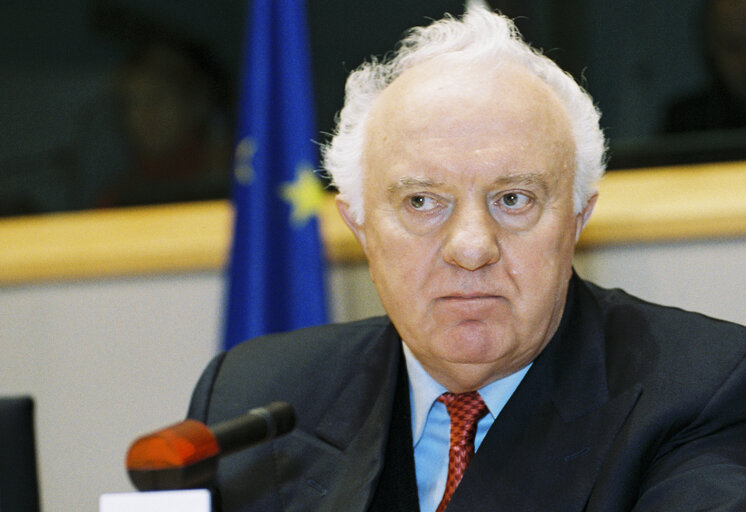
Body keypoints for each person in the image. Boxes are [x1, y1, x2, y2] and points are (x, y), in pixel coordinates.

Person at [188, 5, 746, 511]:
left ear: (577, 218)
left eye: (513, 199)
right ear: (358, 225)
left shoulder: (705, 391)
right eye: (422, 202)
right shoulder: (253, 398)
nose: (472, 246)